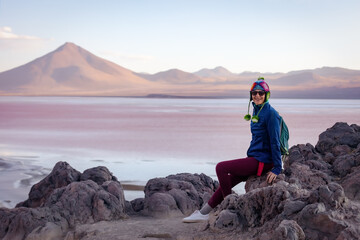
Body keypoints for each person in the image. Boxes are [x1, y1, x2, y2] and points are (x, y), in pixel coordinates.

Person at [182, 77, 282, 223]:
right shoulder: (256, 111)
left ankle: (229, 206)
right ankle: (203, 213)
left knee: (221, 167)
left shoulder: (271, 114)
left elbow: (275, 141)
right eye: (254, 93)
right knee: (227, 180)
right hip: (254, 157)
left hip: (263, 161)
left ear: (267, 95)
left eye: (261, 93)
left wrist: (278, 167)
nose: (257, 96)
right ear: (251, 95)